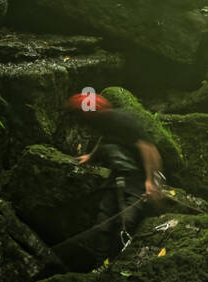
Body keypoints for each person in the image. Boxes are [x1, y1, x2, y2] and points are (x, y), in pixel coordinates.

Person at [64, 92, 164, 264]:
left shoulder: (122, 120)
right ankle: (100, 264)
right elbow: (104, 139)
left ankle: (118, 264)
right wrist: (90, 156)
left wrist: (151, 181)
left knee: (125, 221)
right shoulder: (101, 122)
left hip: (139, 178)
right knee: (102, 224)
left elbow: (149, 149)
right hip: (118, 178)